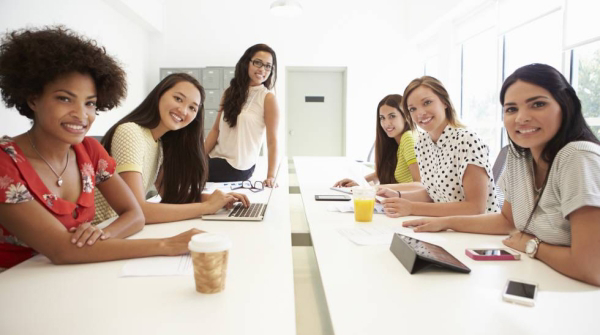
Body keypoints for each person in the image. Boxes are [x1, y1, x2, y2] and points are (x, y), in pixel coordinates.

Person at [0, 26, 202, 271]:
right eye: (64, 98)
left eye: (90, 103)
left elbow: (135, 214)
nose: (81, 114)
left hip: (77, 274)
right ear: (33, 99)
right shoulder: (5, 163)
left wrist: (100, 235)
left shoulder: (89, 151)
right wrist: (166, 245)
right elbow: (61, 250)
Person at [402, 64, 600, 286]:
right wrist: (444, 223)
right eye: (511, 109)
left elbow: (591, 268)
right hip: (539, 274)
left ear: (566, 105)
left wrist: (531, 245)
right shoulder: (520, 156)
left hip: (580, 293)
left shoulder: (578, 157)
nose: (522, 118)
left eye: (538, 104)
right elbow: (507, 221)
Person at [94, 73, 248, 224]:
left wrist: (218, 199)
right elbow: (137, 210)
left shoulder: (160, 144)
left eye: (192, 108)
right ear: (159, 95)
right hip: (97, 230)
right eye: (178, 99)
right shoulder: (131, 132)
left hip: (120, 229)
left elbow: (173, 196)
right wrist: (206, 207)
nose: (183, 110)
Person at [377, 76, 499, 217]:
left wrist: (412, 208)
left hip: (477, 232)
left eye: (427, 103)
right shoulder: (422, 144)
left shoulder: (466, 140)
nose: (420, 113)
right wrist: (397, 195)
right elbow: (433, 193)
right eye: (412, 109)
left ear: (444, 102)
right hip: (446, 228)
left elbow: (476, 208)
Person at [204, 44, 280, 187]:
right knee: (184, 165)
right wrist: (200, 157)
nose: (262, 69)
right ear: (246, 63)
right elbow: (215, 130)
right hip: (216, 156)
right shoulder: (229, 92)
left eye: (268, 66)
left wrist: (271, 176)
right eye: (258, 62)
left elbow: (272, 140)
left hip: (238, 165)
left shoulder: (268, 98)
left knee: (186, 172)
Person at [333, 94, 420, 188]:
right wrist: (358, 182)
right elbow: (381, 174)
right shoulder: (396, 142)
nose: (386, 123)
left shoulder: (408, 137)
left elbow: (419, 184)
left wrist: (374, 188)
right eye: (382, 118)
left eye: (392, 116)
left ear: (405, 116)